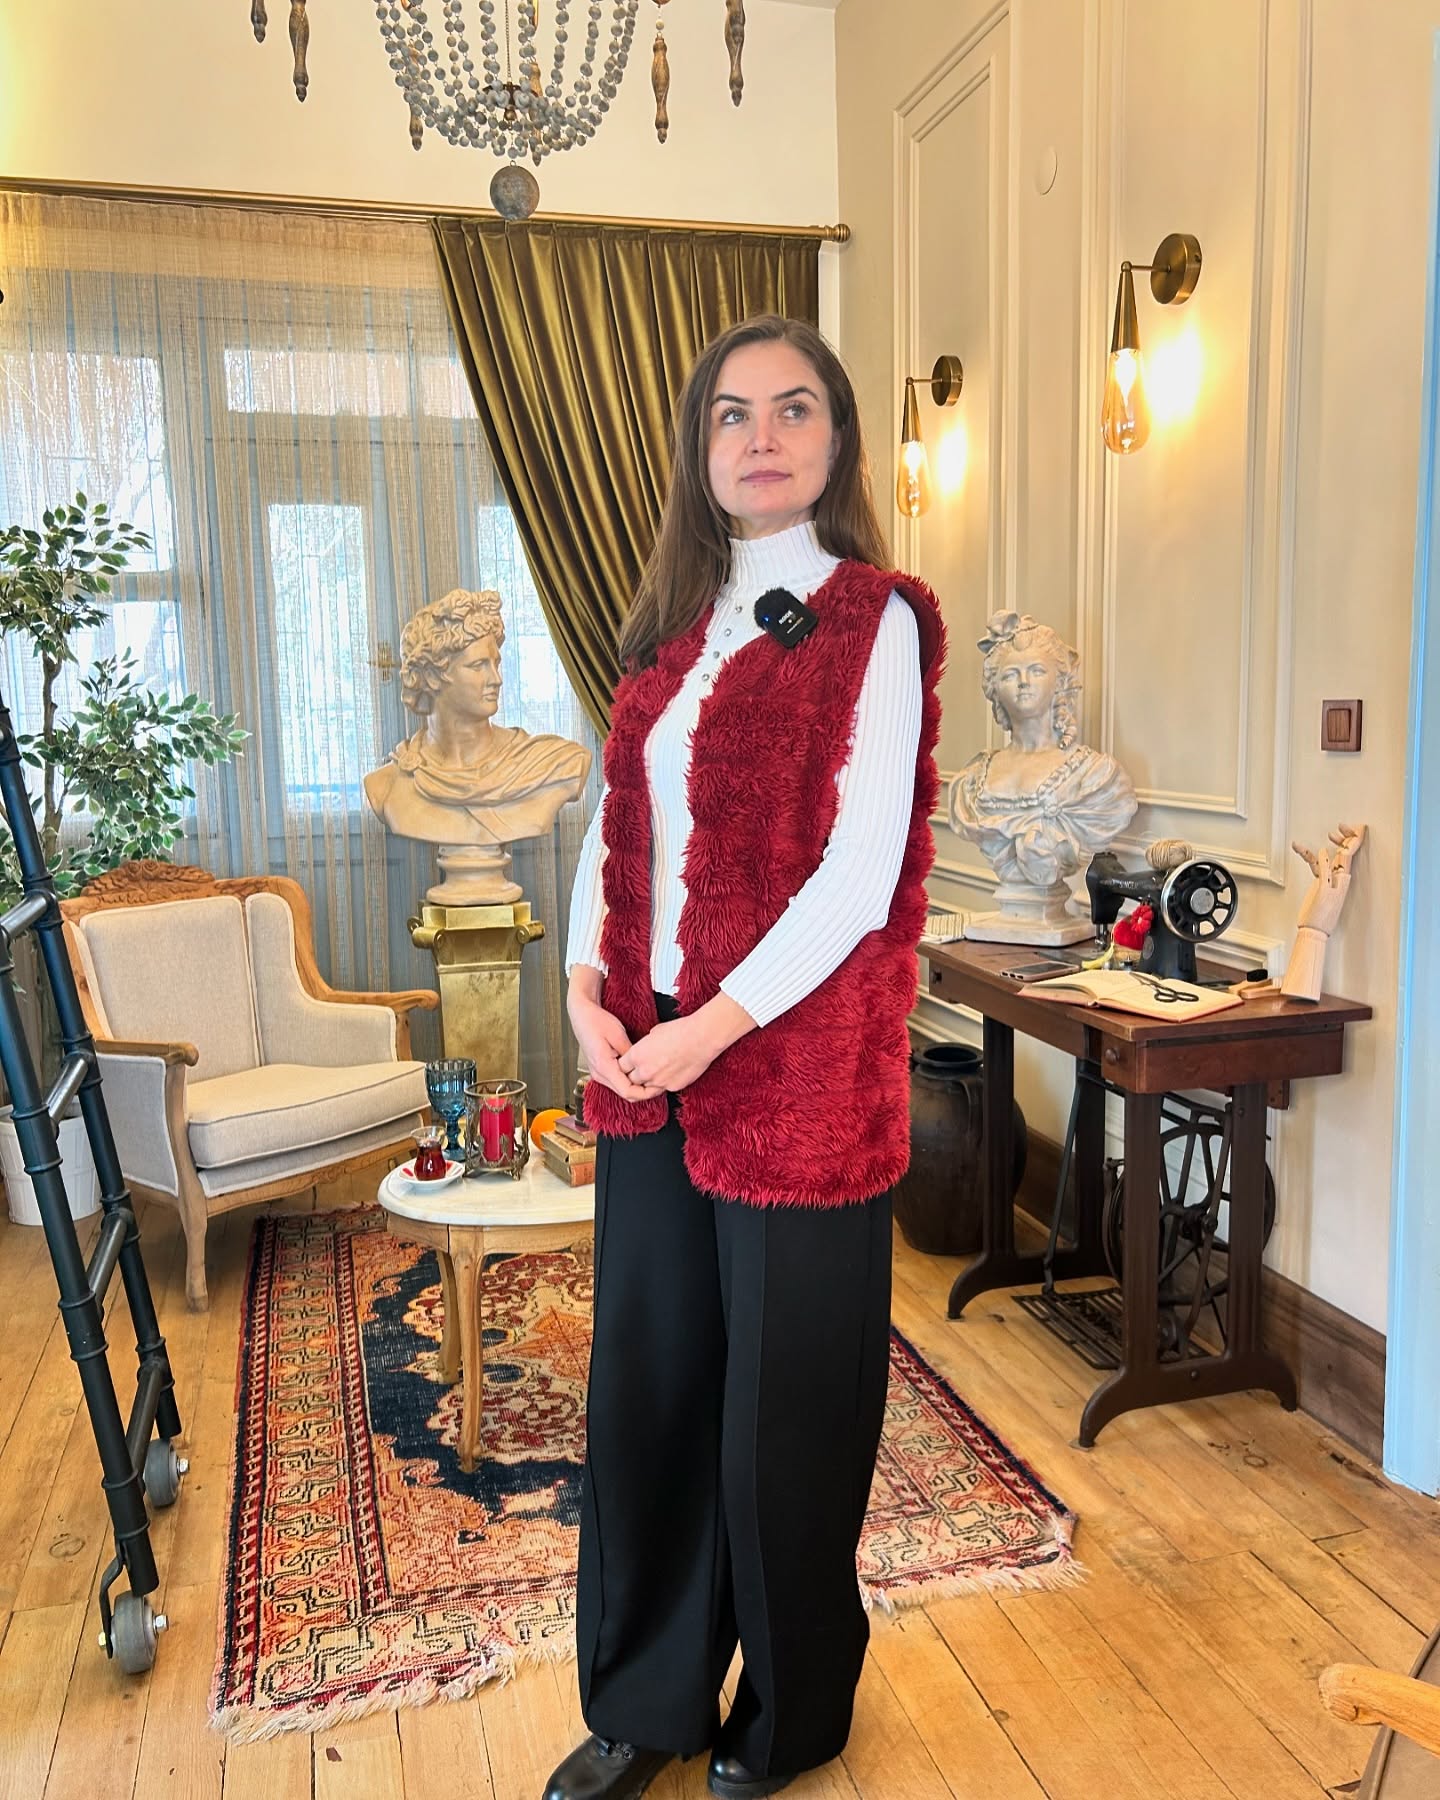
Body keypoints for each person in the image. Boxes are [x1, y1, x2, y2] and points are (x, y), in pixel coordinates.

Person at [543, 314, 945, 1800]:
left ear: (836, 441)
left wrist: (707, 1028)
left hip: (796, 1082)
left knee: (787, 1421)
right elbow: (616, 830)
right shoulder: (667, 633)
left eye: (793, 409)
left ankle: (792, 1718)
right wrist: (584, 989)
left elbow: (861, 874)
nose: (761, 436)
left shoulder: (874, 618)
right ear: (700, 450)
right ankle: (647, 1706)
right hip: (645, 1067)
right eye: (732, 413)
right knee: (649, 1396)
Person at [363, 586, 590, 846]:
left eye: (496, 663)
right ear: (432, 676)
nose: (496, 679)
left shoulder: (553, 763)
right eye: (478, 665)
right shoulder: (386, 785)